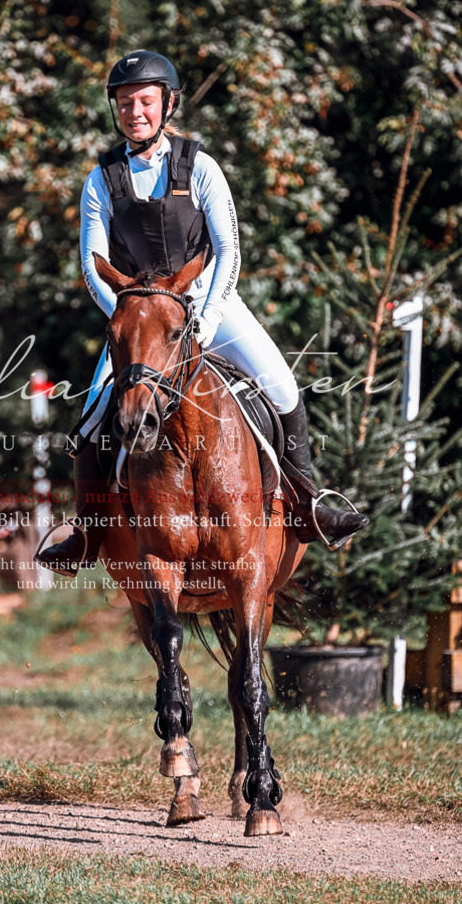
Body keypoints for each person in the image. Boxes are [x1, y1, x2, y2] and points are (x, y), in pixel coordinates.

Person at [37, 50, 368, 576]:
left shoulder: (202, 167)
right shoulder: (101, 180)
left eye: (145, 101)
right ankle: (86, 535)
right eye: (125, 103)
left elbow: (228, 251)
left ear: (167, 104)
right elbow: (90, 267)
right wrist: (129, 318)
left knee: (282, 387)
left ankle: (308, 505)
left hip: (211, 305)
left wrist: (205, 318)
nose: (135, 111)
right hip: (141, 324)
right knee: (91, 424)